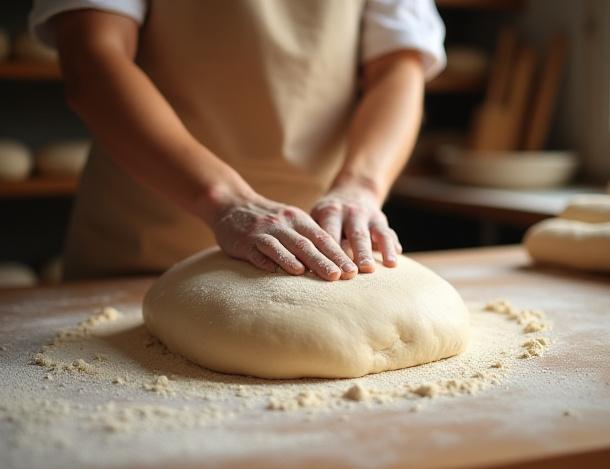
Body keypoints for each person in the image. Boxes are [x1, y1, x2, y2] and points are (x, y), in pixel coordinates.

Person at [30, 0, 445, 281]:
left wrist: (362, 186)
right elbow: (93, 56)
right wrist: (225, 200)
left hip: (316, 255)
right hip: (144, 246)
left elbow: (398, 68)